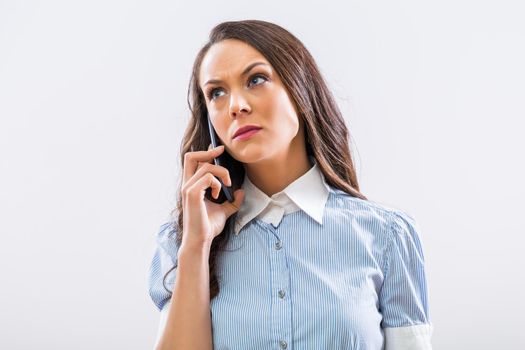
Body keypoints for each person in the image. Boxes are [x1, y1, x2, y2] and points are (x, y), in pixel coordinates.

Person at [148, 19, 433, 350]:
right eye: (217, 93)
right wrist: (196, 245)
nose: (236, 106)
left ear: (300, 89)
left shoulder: (387, 236)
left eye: (256, 79)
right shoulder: (180, 242)